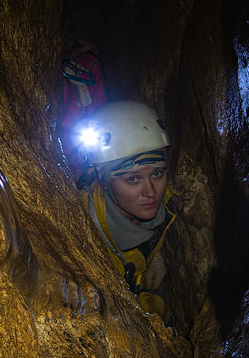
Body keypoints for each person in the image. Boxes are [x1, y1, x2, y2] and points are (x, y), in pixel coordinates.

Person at [73, 100, 176, 319]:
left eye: (157, 174)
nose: (150, 192)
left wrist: (153, 257)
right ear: (104, 178)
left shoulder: (166, 204)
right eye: (133, 179)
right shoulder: (80, 221)